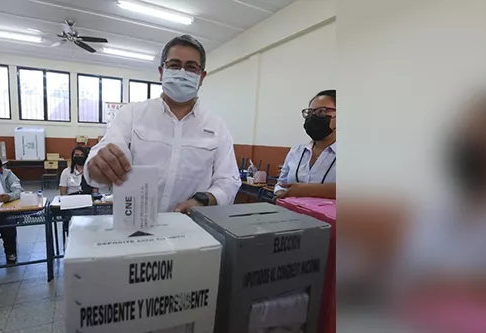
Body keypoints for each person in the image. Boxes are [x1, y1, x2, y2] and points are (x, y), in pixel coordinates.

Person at [84, 34, 241, 213]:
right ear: (161, 72)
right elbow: (103, 155)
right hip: (133, 228)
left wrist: (203, 201)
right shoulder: (132, 114)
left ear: (202, 77)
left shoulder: (217, 127)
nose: (182, 73)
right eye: (174, 65)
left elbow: (229, 181)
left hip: (191, 229)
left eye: (191, 68)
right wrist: (99, 165)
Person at [274, 90, 337, 199]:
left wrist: (305, 190)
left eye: (322, 111)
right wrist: (280, 193)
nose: (313, 117)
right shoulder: (296, 151)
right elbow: (281, 184)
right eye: (310, 112)